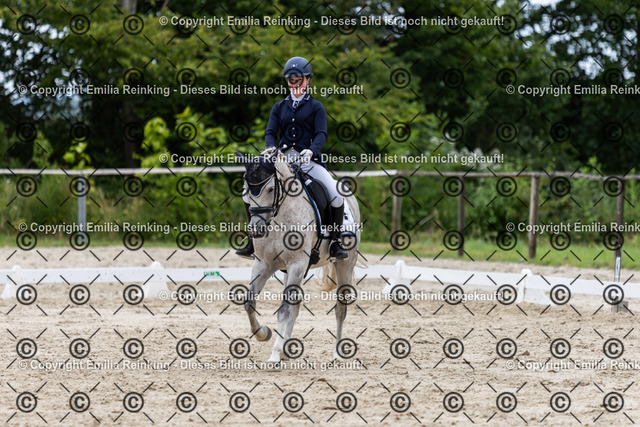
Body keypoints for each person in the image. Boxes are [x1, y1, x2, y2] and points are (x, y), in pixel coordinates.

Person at [237, 56, 348, 260]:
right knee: (246, 191)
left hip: (309, 160)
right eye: (291, 80)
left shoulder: (316, 106)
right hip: (282, 159)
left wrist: (311, 150)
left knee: (336, 193)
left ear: (308, 80)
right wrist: (271, 148)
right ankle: (253, 239)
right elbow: (271, 132)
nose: (294, 83)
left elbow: (321, 133)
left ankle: (335, 241)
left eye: (298, 80)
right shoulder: (279, 107)